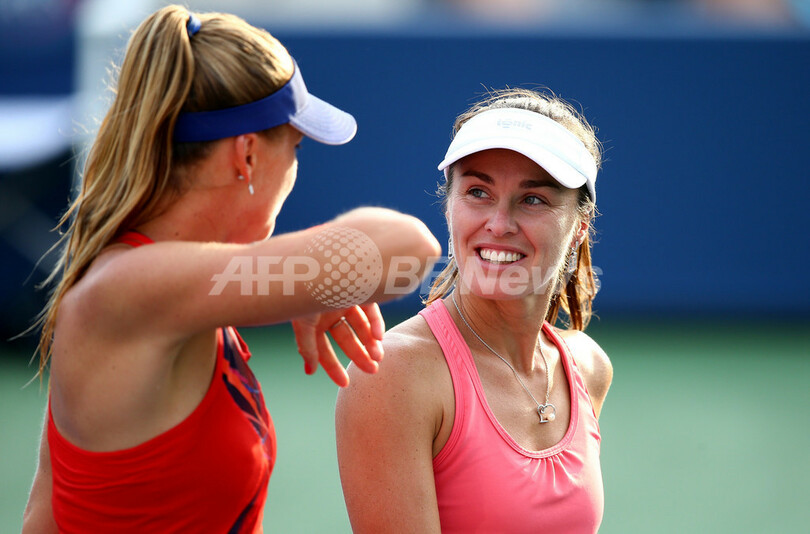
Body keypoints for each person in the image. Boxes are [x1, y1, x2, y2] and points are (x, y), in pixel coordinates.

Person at [21, 5, 440, 533]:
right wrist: (313, 278)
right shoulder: (136, 287)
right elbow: (411, 249)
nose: (294, 167)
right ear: (247, 155)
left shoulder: (145, 283)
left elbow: (45, 514)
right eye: (295, 147)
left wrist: (308, 280)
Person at [336, 88, 613, 533]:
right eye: (478, 192)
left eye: (533, 199)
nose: (499, 224)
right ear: (449, 207)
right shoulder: (392, 374)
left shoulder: (588, 366)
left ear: (579, 227)